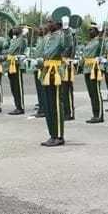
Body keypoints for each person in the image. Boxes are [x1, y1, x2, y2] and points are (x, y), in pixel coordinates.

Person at [38, 16, 71, 146]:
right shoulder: (46, 37)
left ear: (57, 24)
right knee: (48, 105)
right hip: (46, 71)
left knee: (56, 104)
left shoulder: (62, 35)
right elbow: (42, 54)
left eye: (50, 22)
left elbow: (68, 45)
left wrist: (67, 29)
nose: (48, 24)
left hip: (56, 71)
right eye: (47, 21)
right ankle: (52, 134)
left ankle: (59, 136)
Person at [81, 23, 107, 124]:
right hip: (87, 68)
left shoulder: (98, 40)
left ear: (96, 31)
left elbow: (102, 45)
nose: (89, 32)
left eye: (92, 30)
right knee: (91, 93)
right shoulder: (90, 42)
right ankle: (95, 114)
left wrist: (101, 34)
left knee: (96, 92)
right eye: (89, 30)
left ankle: (99, 115)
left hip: (95, 68)